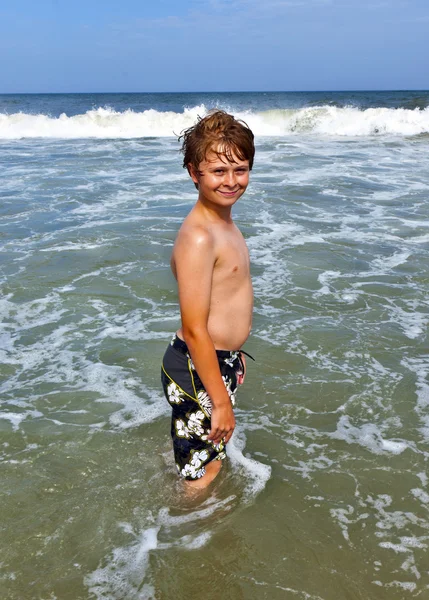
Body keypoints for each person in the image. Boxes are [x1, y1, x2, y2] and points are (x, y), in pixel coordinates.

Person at [161, 110, 255, 489]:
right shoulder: (200, 237)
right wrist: (220, 402)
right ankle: (193, 539)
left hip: (215, 364)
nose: (231, 181)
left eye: (240, 169)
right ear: (193, 172)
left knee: (205, 450)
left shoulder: (223, 222)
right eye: (218, 171)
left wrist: (231, 363)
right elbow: (195, 328)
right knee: (202, 474)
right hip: (197, 367)